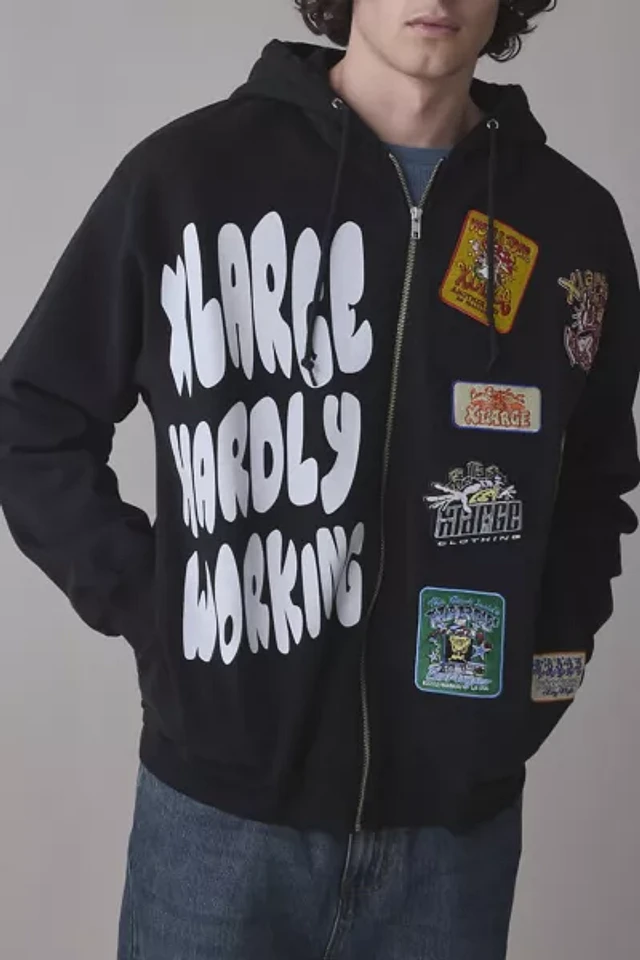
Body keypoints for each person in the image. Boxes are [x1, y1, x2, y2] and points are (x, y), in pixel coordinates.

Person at [1, 1, 638, 957]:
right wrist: (157, 605)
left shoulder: (571, 223)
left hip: (451, 842)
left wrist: (540, 681)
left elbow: (594, 484)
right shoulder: (189, 179)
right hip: (218, 826)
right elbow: (31, 418)